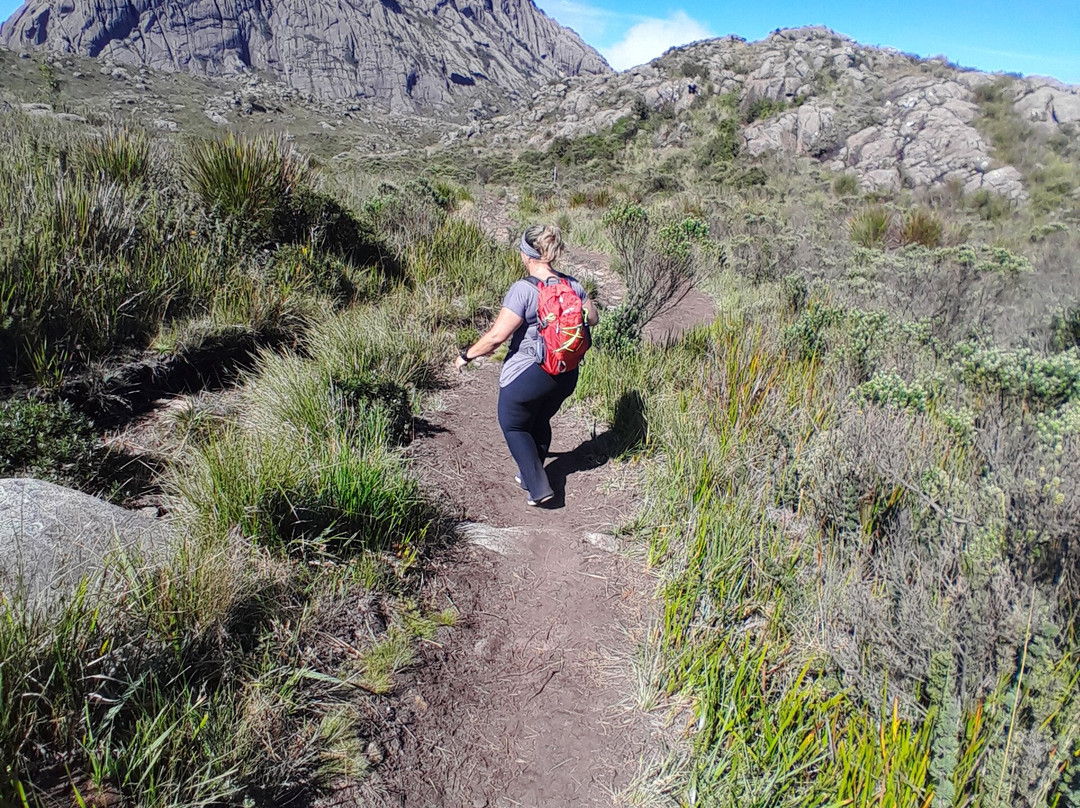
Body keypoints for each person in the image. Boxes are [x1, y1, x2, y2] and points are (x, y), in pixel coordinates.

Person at [454, 224, 599, 506]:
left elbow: (496, 338)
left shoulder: (523, 290)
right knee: (540, 419)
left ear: (528, 255)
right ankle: (528, 473)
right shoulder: (573, 285)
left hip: (531, 372)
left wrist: (466, 355)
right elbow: (592, 319)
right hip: (567, 372)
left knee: (514, 425)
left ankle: (539, 488)